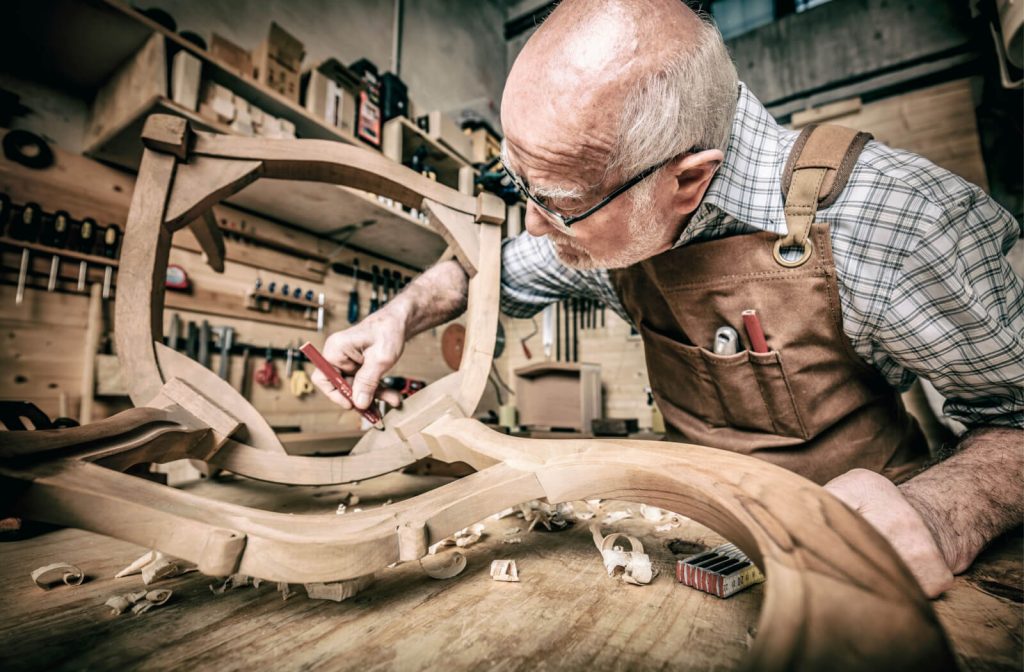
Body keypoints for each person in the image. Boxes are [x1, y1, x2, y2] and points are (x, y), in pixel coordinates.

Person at [312, 0, 1023, 598]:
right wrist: (399, 315)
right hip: (689, 552)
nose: (533, 223)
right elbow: (486, 271)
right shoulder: (605, 228)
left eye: (557, 204)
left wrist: (937, 514)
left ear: (686, 181)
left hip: (862, 576)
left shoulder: (893, 217)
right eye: (519, 186)